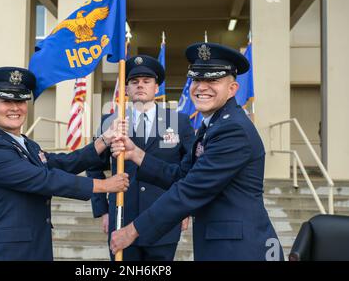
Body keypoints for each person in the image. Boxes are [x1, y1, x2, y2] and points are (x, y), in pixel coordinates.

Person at [109, 43, 284, 261]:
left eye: (212, 80)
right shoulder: (212, 125)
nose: (201, 87)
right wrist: (136, 153)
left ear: (232, 89)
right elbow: (182, 176)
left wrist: (132, 230)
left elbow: (190, 189)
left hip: (240, 249)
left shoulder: (233, 130)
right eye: (197, 79)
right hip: (223, 245)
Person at [0, 66, 129, 261]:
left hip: (35, 247)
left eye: (20, 100)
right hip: (6, 253)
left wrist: (104, 140)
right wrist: (104, 185)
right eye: (6, 101)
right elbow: (44, 179)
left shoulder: (27, 144)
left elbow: (61, 164)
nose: (15, 108)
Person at [87, 55, 195, 261]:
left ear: (156, 88)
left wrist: (185, 208)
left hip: (164, 215)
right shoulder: (110, 121)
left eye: (147, 81)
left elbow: (189, 169)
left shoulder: (178, 121)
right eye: (134, 82)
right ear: (126, 89)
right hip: (121, 215)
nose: (140, 86)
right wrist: (103, 210)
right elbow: (93, 165)